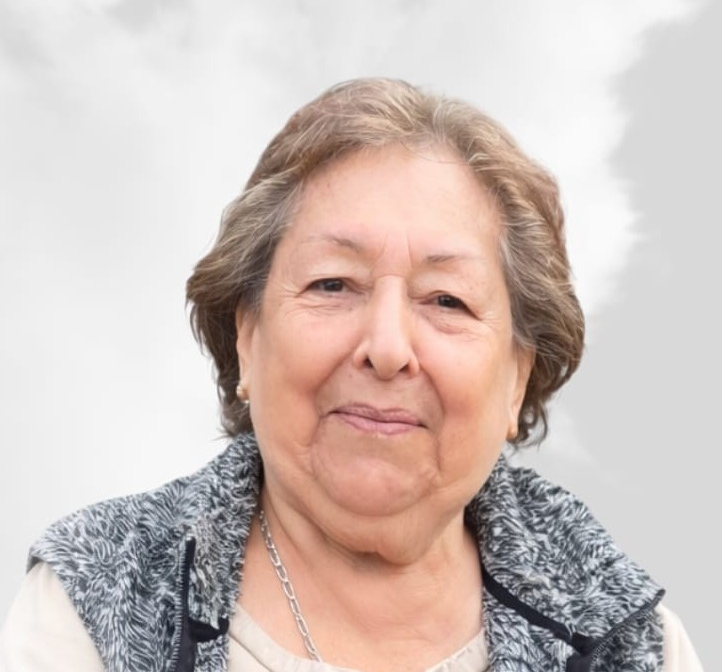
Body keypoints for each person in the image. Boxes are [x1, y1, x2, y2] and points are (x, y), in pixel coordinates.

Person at [0, 78, 702, 672]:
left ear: (518, 376)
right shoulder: (94, 604)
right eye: (333, 284)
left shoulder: (636, 646)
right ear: (247, 336)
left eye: (446, 300)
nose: (387, 347)